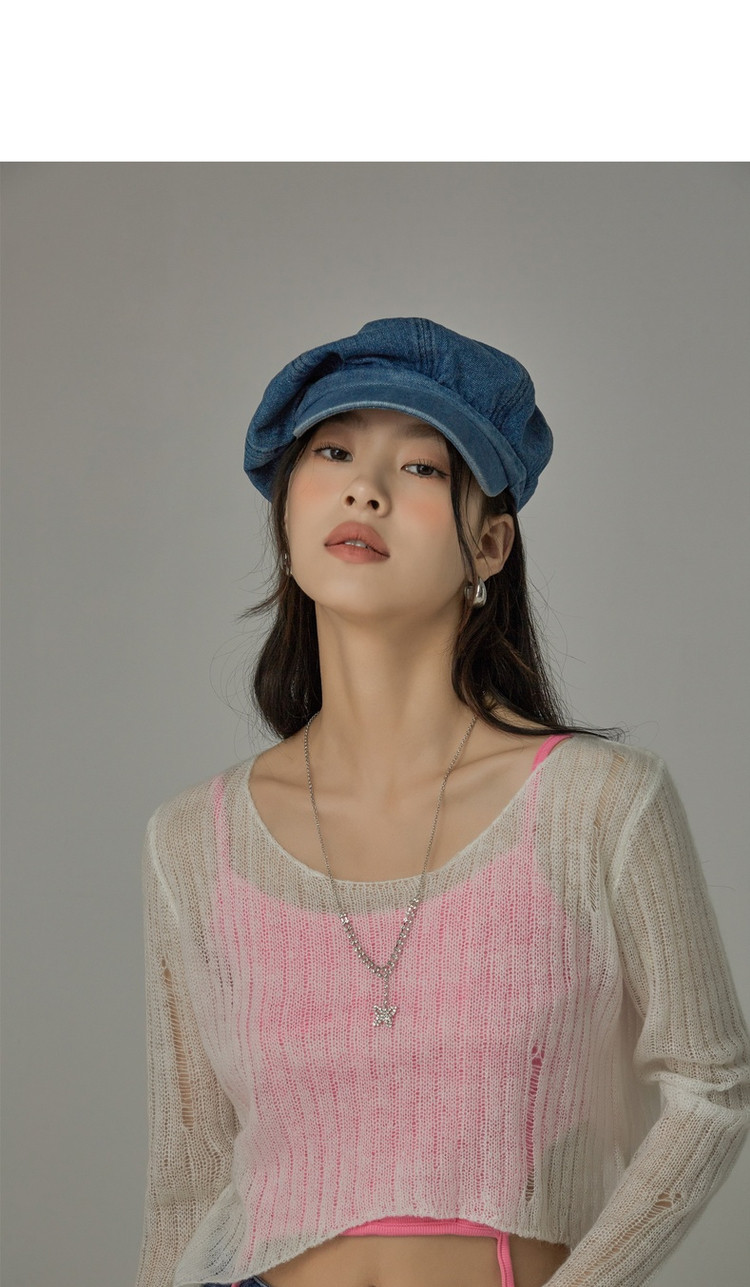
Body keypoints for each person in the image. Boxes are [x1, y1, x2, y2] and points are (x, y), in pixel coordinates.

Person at [134, 317, 750, 1287]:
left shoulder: (597, 805)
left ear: (489, 546)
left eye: (421, 468)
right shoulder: (192, 840)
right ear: (287, 521)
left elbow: (714, 1084)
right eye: (332, 452)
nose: (365, 488)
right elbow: (189, 1175)